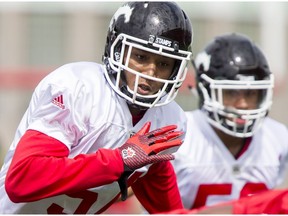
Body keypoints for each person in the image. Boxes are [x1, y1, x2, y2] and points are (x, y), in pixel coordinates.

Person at [0, 2, 193, 214]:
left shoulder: (168, 119)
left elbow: (157, 180)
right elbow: (22, 180)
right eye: (141, 57)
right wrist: (120, 160)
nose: (150, 72)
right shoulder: (79, 88)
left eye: (163, 64)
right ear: (117, 50)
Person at [171, 32, 288, 210]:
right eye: (231, 92)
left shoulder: (278, 138)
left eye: (251, 93)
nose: (243, 104)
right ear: (206, 91)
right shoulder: (179, 133)